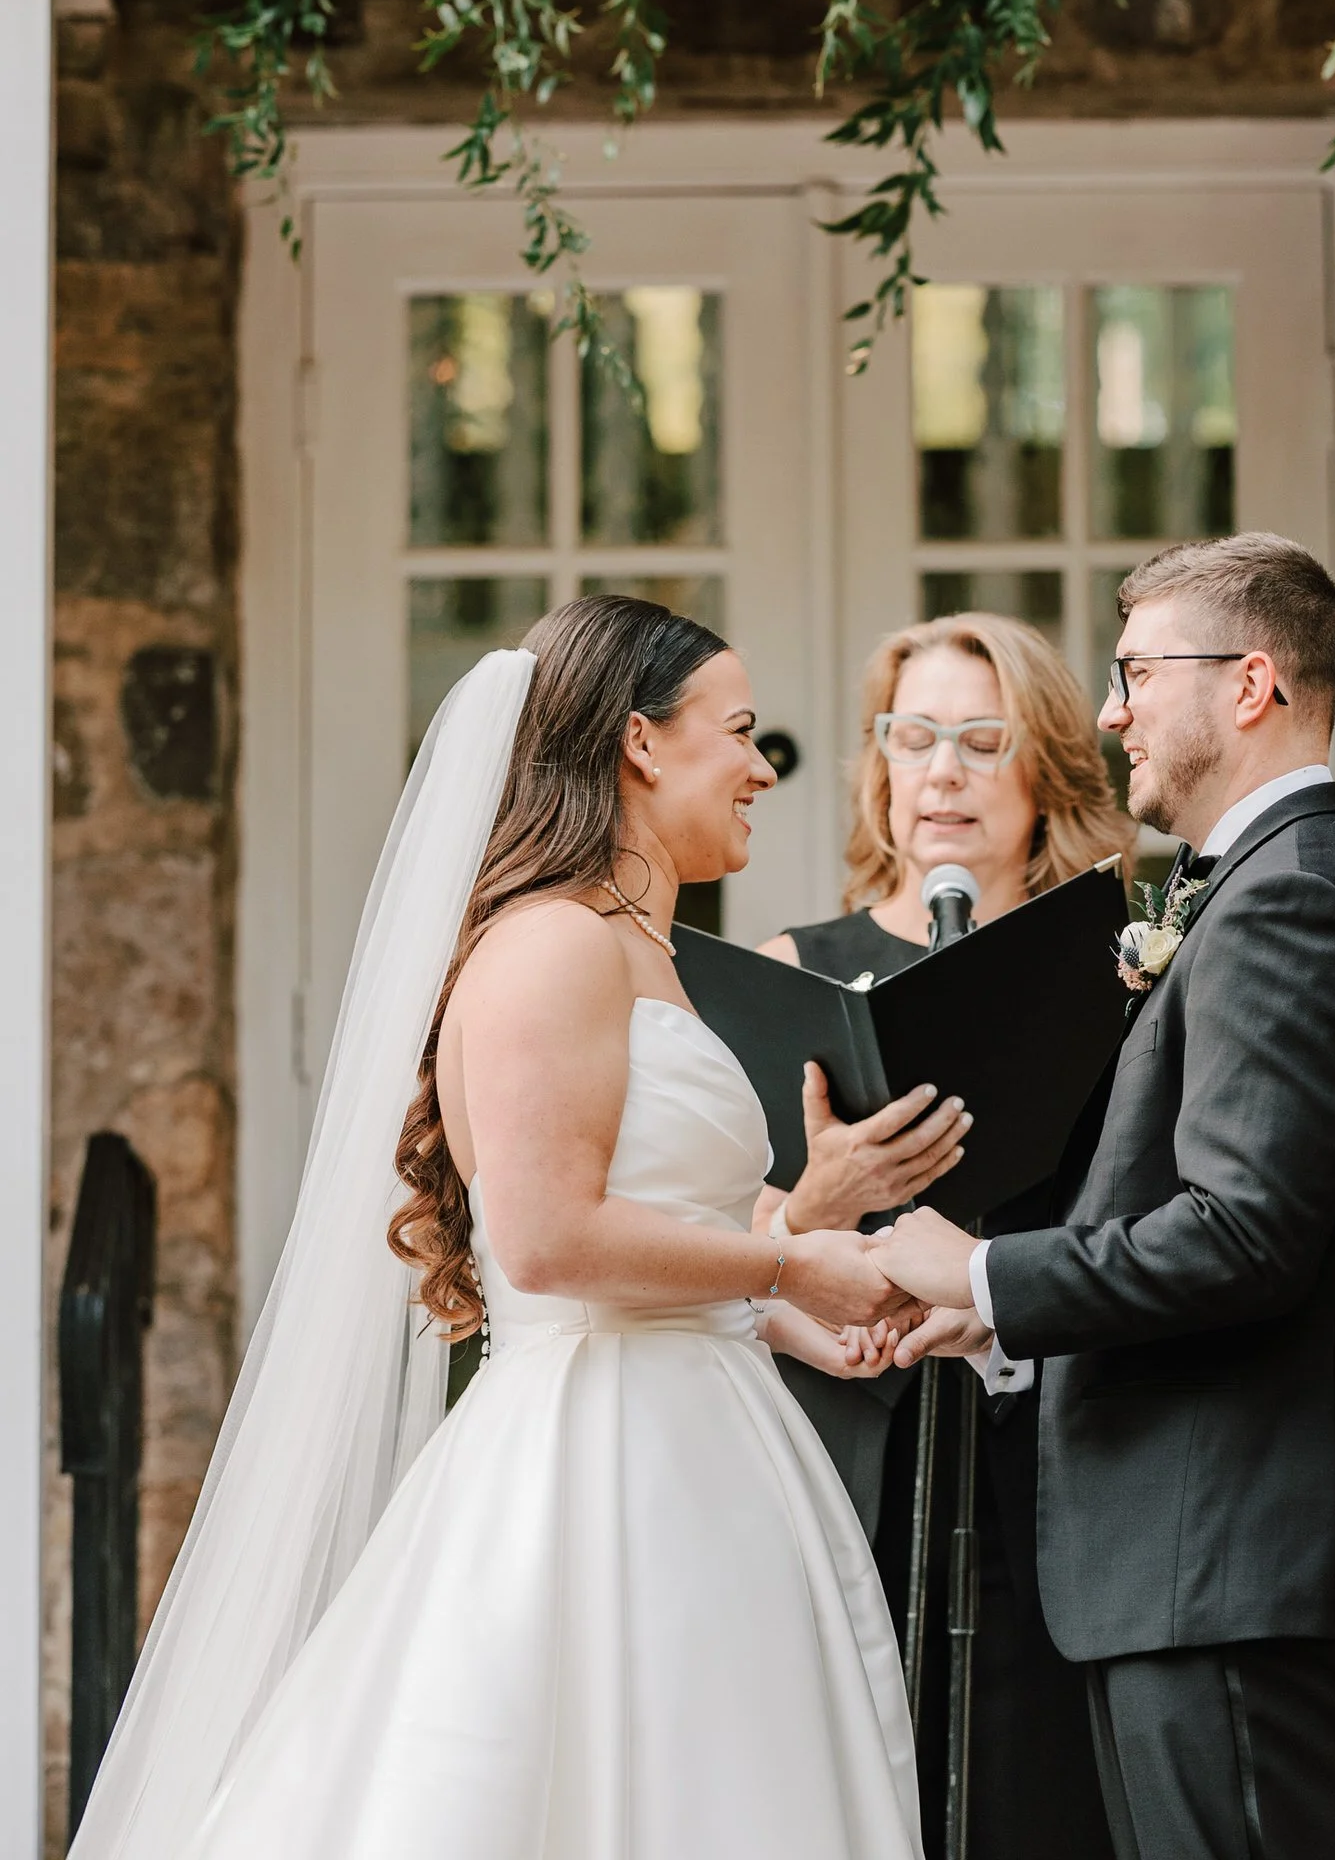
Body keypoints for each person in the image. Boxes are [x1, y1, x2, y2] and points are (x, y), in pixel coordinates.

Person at [71, 596, 925, 1860]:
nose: (761, 769)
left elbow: (656, 1217)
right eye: (738, 734)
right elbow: (545, 1241)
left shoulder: (645, 947)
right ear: (640, 743)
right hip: (604, 1464)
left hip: (701, 1436)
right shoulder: (552, 947)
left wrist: (794, 1316)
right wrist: (797, 1258)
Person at [874, 536, 1335, 1860]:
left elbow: (1244, 1234)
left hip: (1230, 1556)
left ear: (1250, 685)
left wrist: (978, 1276)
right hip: (1195, 1564)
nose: (1115, 709)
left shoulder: (1294, 897)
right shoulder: (1265, 887)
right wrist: (998, 1330)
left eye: (1137, 673)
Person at [758, 613, 1133, 1860]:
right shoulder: (796, 966)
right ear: (878, 767)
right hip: (855, 1440)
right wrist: (817, 1200)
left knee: (1035, 1798)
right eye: (913, 737)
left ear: (1047, 773)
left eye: (984, 739)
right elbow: (728, 1230)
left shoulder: (1125, 969)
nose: (944, 772)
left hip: (1053, 1444)